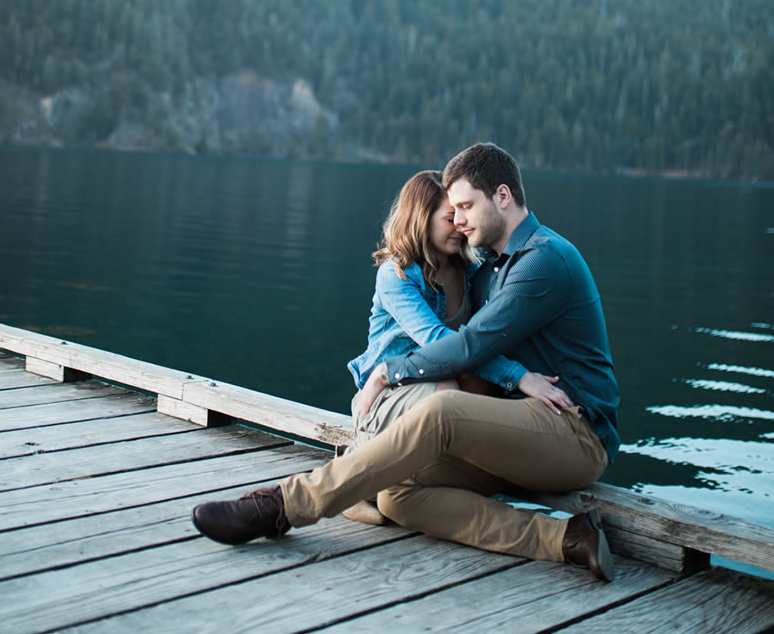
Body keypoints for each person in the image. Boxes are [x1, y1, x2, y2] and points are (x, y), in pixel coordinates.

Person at [192, 143, 620, 582]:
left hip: (575, 432)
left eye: (467, 206)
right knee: (399, 493)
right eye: (452, 210)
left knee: (443, 410)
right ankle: (566, 538)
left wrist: (386, 371)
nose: (460, 219)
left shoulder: (543, 261)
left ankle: (282, 505)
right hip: (519, 430)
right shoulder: (490, 268)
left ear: (504, 197)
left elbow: (469, 346)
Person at [341, 169, 571, 523]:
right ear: (421, 219)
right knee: (450, 390)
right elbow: (439, 342)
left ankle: (431, 478)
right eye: (451, 218)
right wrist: (519, 375)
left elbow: (479, 342)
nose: (461, 224)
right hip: (391, 387)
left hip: (444, 377)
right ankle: (354, 473)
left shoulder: (468, 271)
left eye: (463, 214)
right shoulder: (397, 274)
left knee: (481, 390)